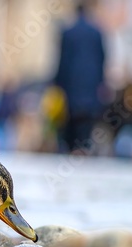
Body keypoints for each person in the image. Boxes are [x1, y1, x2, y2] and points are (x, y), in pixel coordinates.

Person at [54, 3, 106, 153]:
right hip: (90, 84)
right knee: (86, 118)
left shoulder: (68, 32)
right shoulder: (96, 32)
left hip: (71, 84)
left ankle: (73, 148)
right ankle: (83, 147)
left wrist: (58, 83)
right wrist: (101, 82)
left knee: (72, 118)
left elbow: (62, 61)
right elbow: (102, 59)